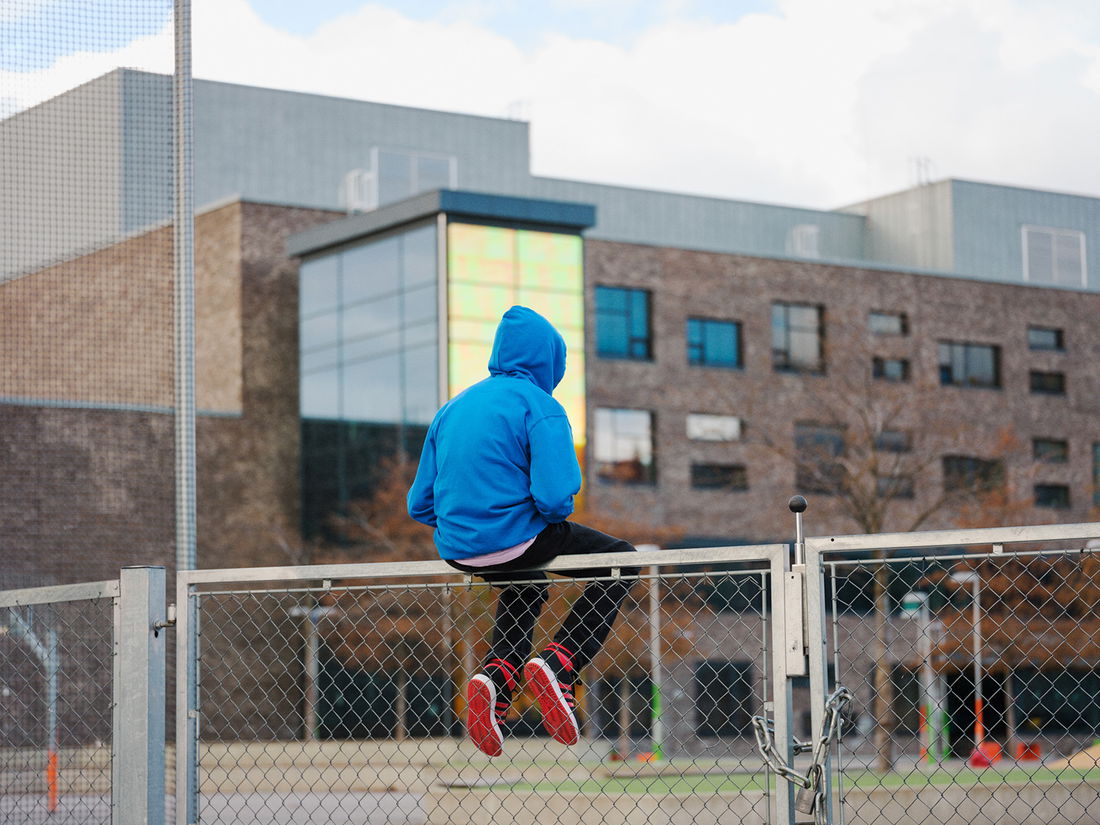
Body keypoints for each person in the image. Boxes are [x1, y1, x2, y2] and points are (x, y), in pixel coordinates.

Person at [407, 305, 637, 757]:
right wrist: (522, 518)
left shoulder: (451, 409)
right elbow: (553, 498)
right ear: (548, 362)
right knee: (620, 560)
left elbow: (420, 504)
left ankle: (495, 676)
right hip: (518, 539)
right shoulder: (540, 405)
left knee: (525, 587)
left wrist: (469, 525)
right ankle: (561, 662)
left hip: (458, 548)